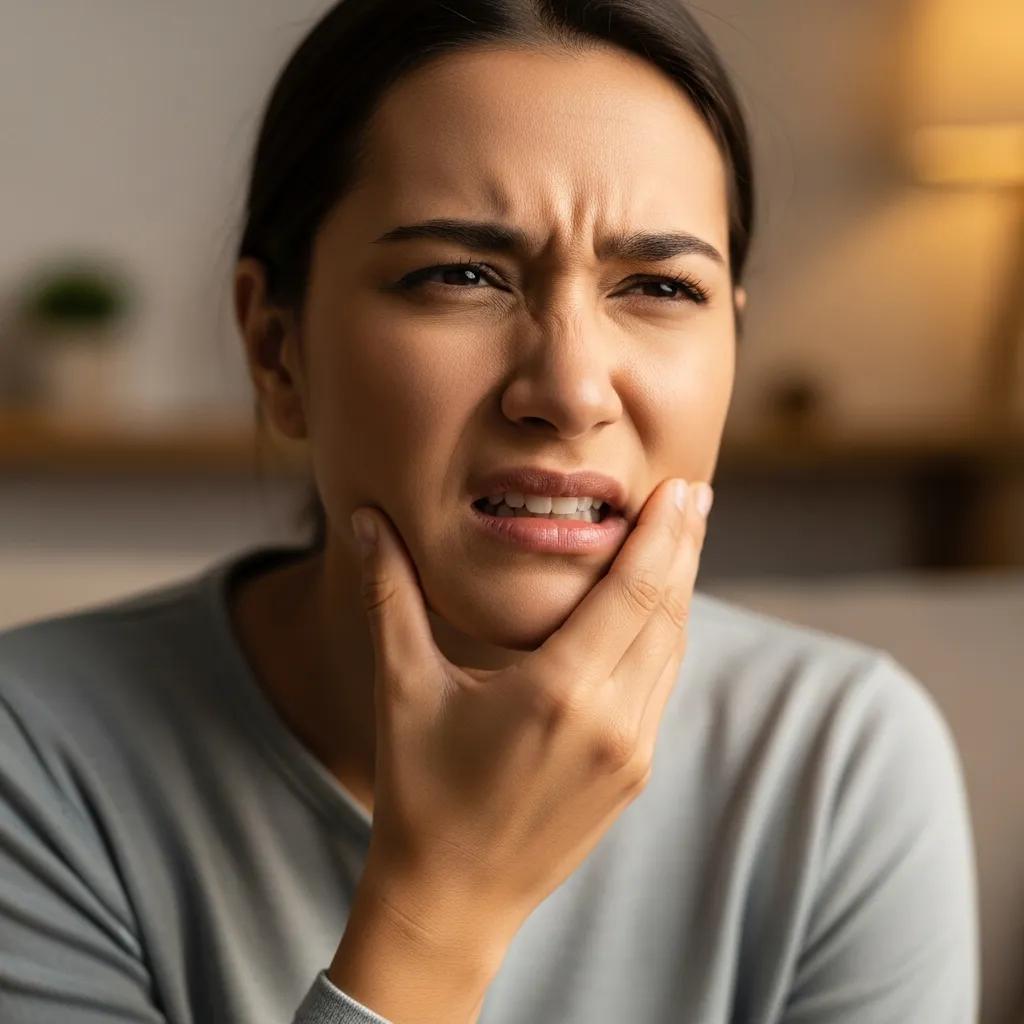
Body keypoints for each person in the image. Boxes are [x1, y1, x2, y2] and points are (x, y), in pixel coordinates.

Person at [0, 1, 980, 1022]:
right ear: (275, 349)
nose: (568, 388)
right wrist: (441, 904)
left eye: (656, 285)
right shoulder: (33, 761)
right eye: (459, 275)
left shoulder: (837, 761)